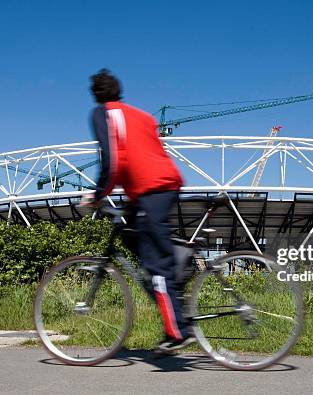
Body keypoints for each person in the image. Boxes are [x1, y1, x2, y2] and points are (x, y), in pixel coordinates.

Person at [81, 69, 195, 352]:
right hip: (157, 186)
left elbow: (111, 159)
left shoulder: (103, 113)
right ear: (119, 90)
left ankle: (178, 331)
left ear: (96, 94)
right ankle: (173, 278)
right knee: (134, 238)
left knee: (156, 264)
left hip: (150, 189)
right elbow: (139, 152)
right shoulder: (143, 116)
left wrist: (98, 194)